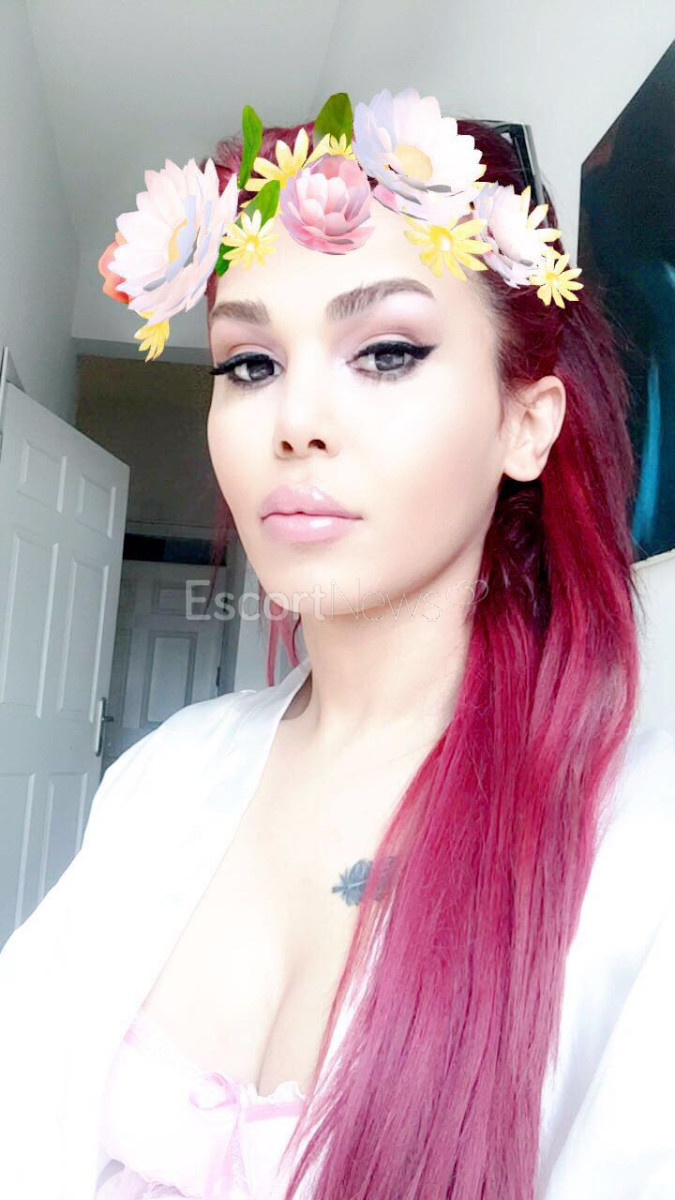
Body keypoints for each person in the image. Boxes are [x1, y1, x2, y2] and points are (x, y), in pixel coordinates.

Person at [1, 86, 674, 1200]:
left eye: (388, 352)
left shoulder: (639, 846)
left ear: (525, 424)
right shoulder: (163, 776)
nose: (294, 421)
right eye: (249, 364)